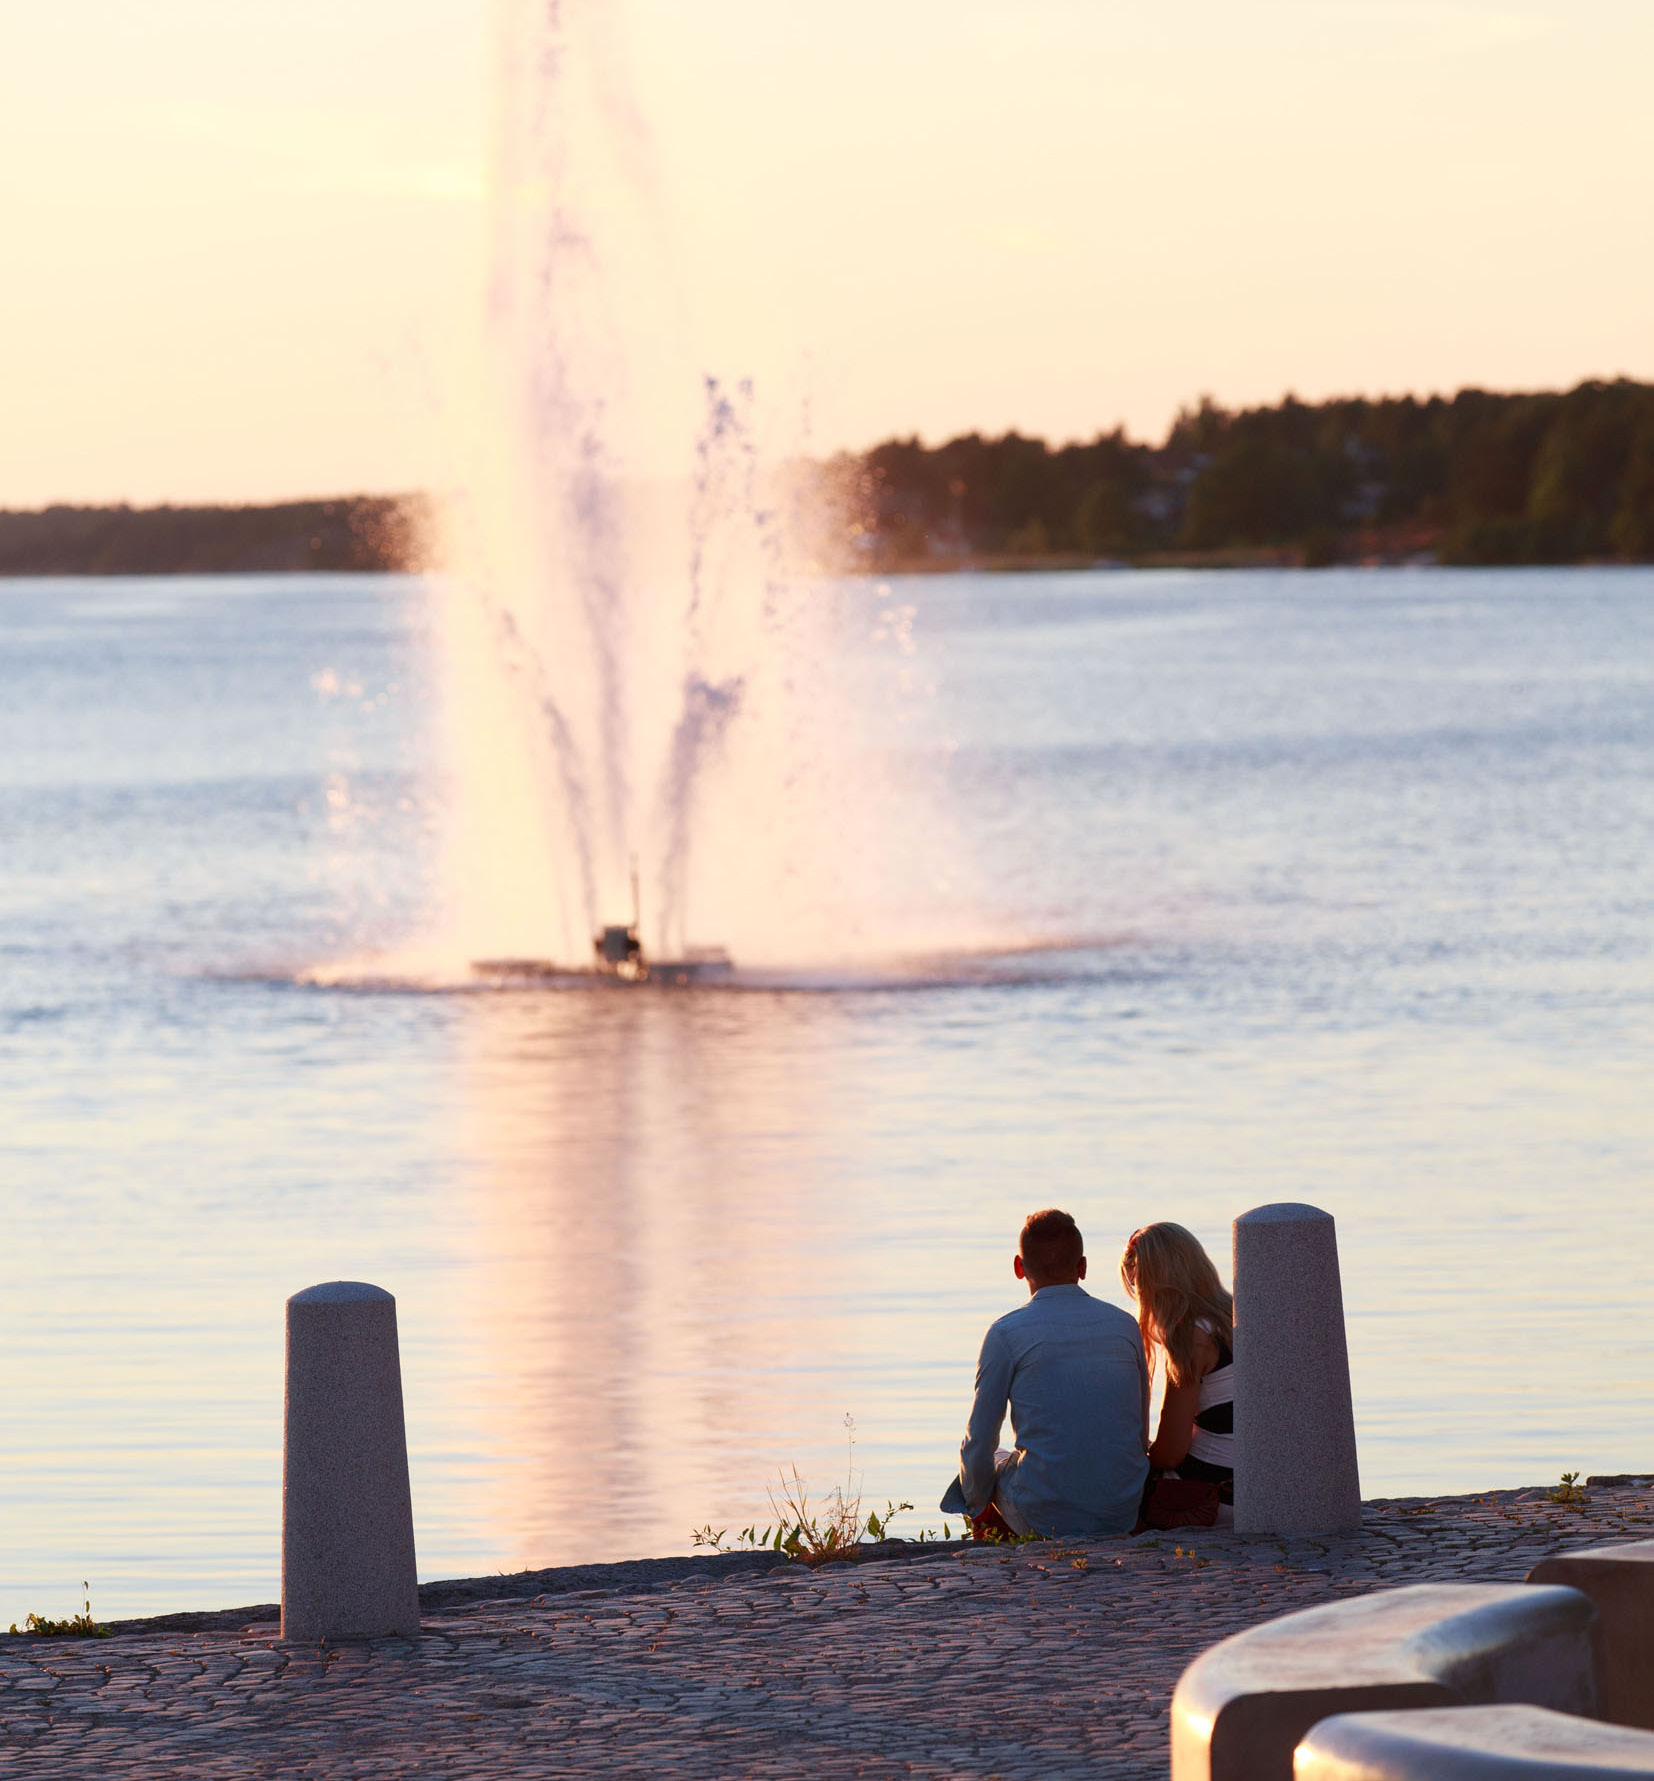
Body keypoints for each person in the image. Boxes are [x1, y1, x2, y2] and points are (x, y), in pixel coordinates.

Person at [944, 1209, 1149, 1538]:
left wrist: (975, 1499)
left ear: (1018, 1267)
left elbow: (979, 1439)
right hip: (1121, 1510)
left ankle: (994, 1536)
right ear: (1082, 1267)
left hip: (1044, 1513)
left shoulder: (1005, 1333)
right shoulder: (1125, 1325)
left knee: (988, 1458)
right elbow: (1139, 1436)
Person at [1119, 1222, 1234, 1507]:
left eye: (1135, 1286)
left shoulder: (1190, 1337)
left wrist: (1143, 1454)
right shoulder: (1232, 1317)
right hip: (1256, 1482)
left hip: (1213, 1491)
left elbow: (1171, 1454)